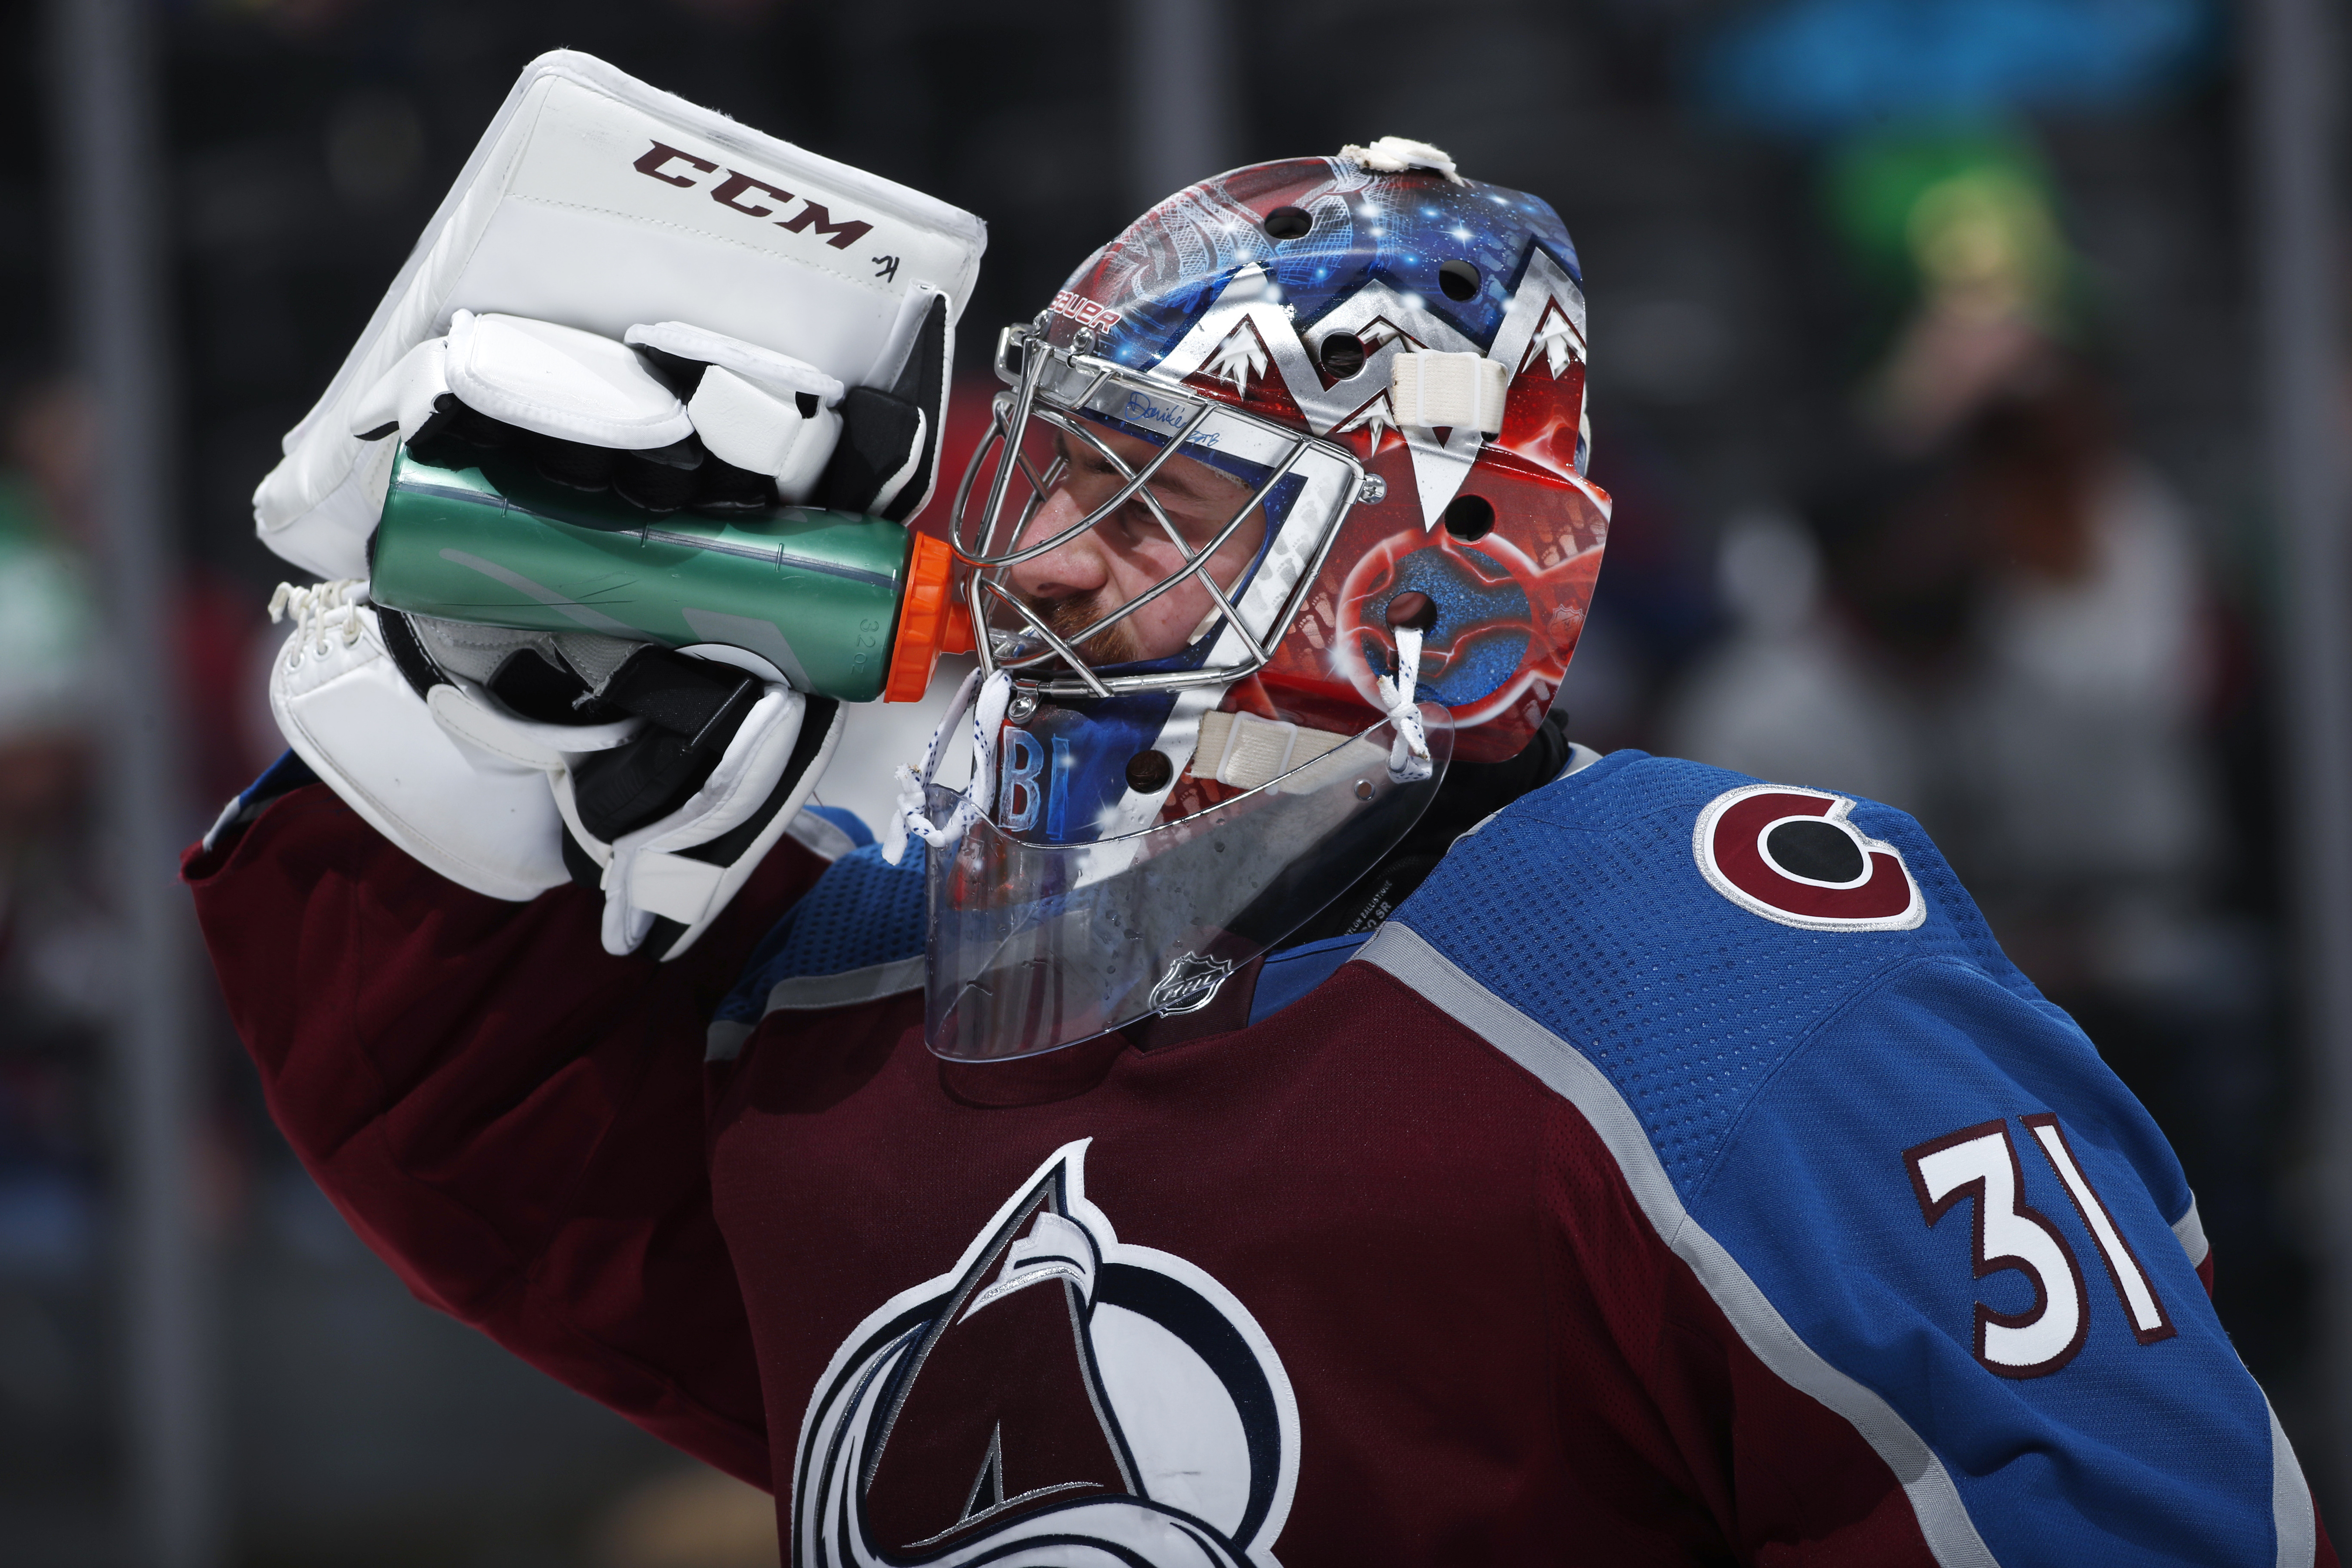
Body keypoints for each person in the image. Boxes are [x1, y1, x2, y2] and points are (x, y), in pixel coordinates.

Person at [187, 129, 2328, 1566]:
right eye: (1040, 469)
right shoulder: (875, 982)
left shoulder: (1713, 975)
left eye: (1151, 506)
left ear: (1455, 572)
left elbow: (2134, 1510)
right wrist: (442, 762)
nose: (1024, 556)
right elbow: (484, 1143)